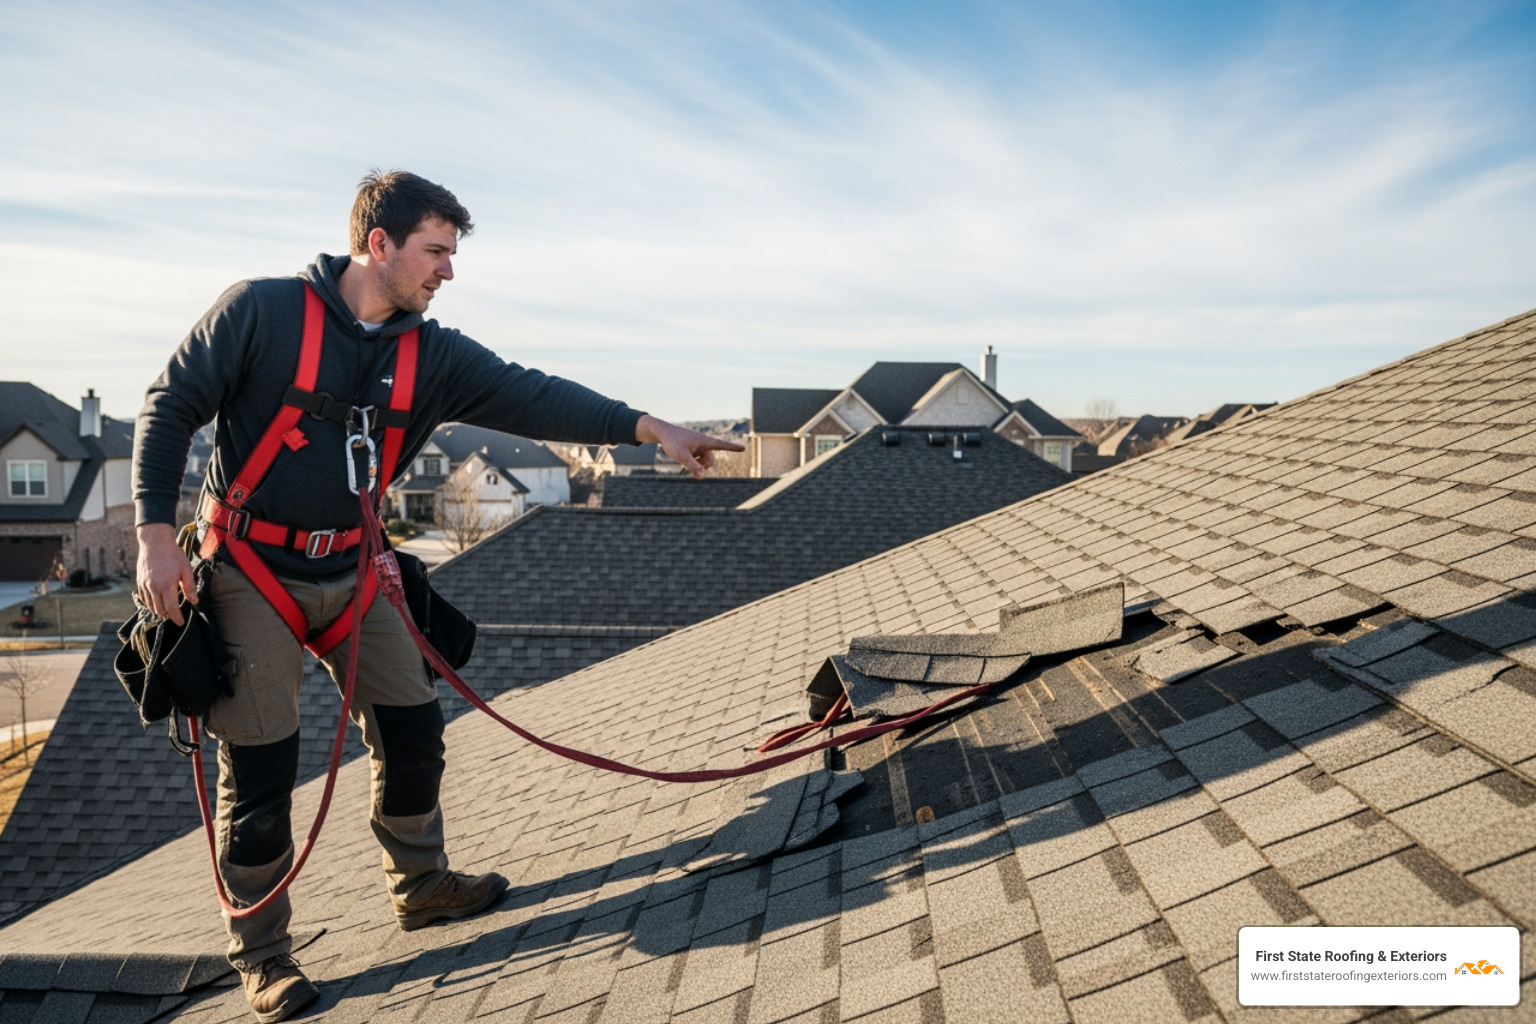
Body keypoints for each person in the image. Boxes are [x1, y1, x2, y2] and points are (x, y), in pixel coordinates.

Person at [133, 170, 741, 1023]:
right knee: (262, 779)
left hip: (354, 566)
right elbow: (167, 410)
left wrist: (652, 428)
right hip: (250, 570)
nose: (448, 271)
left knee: (415, 730)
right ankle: (263, 955)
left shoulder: (433, 354)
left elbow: (537, 395)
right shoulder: (260, 313)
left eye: (452, 254)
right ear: (377, 244)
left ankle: (419, 885)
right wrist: (155, 539)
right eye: (436, 252)